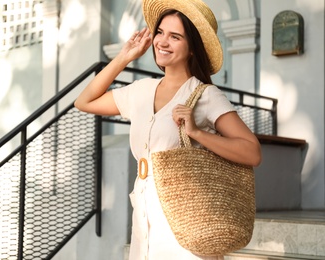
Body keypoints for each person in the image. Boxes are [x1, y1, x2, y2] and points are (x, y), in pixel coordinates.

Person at [75, 0, 262, 259]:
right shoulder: (141, 90)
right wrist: (124, 56)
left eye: (175, 36)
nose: (162, 42)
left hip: (188, 218)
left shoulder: (205, 95)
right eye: (160, 32)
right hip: (145, 213)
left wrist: (197, 133)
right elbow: (84, 102)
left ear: (193, 48)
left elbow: (252, 152)